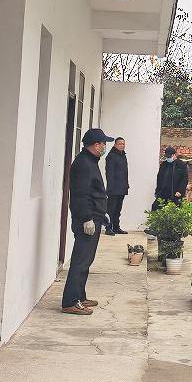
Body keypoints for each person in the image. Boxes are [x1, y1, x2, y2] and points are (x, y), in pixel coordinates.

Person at [62, 128, 111, 315]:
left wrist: (100, 213)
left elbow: (93, 191)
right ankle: (70, 302)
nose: (105, 147)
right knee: (80, 261)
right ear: (96, 145)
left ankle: (80, 296)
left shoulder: (90, 161)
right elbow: (80, 194)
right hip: (86, 221)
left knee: (86, 260)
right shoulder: (83, 163)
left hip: (94, 218)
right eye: (103, 144)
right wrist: (87, 218)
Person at [105, 137, 129, 235]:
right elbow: (109, 173)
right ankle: (108, 228)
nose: (122, 146)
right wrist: (110, 188)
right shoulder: (111, 156)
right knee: (111, 209)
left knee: (118, 209)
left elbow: (124, 172)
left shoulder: (123, 155)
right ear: (115, 145)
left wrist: (126, 184)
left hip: (122, 187)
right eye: (120, 144)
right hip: (113, 188)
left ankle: (116, 227)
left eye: (123, 144)